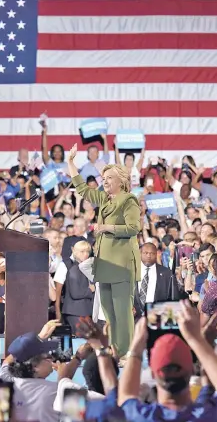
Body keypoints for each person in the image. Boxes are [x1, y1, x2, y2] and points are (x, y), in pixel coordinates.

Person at [68, 143, 141, 357]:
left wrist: (107, 227)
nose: (104, 181)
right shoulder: (104, 199)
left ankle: (127, 353)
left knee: (122, 312)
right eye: (103, 177)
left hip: (121, 264)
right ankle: (116, 350)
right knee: (109, 313)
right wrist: (71, 163)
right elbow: (82, 189)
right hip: (105, 265)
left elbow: (134, 228)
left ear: (121, 181)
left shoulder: (128, 200)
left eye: (109, 178)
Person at [133, 242, 185, 318]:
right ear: (140, 254)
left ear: (156, 254)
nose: (148, 255)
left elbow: (174, 299)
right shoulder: (130, 272)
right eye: (145, 253)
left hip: (158, 320)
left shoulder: (168, 274)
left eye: (152, 253)